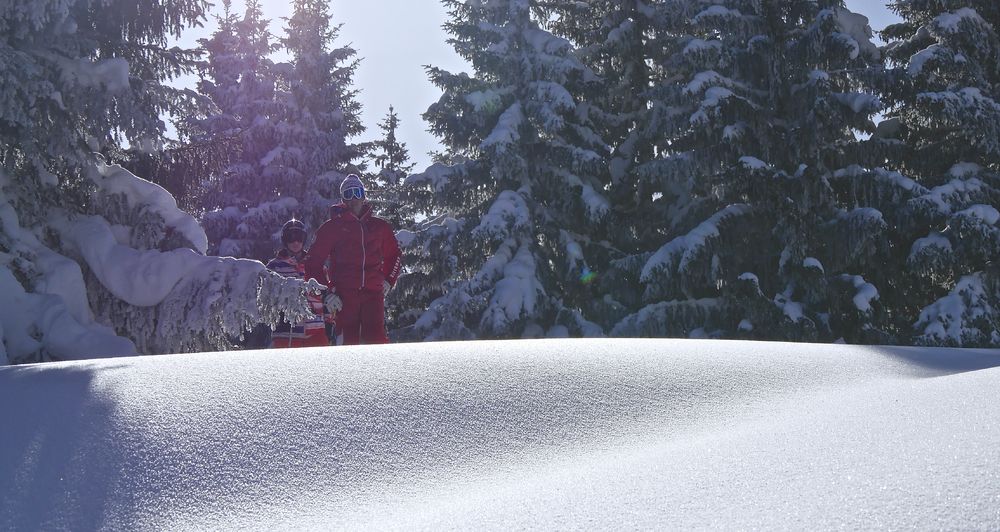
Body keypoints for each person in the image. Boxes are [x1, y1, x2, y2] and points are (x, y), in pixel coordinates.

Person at [305, 174, 402, 345]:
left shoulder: (379, 226)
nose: (353, 199)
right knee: (348, 346)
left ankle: (381, 372)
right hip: (344, 297)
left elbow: (394, 255)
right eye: (348, 194)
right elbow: (313, 263)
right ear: (343, 199)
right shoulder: (332, 227)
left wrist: (389, 279)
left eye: (357, 193)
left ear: (364, 196)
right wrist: (327, 293)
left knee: (376, 341)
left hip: (373, 294)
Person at [267, 219, 330, 348]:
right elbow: (267, 298)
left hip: (316, 330)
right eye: (291, 238)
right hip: (286, 332)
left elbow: (326, 294)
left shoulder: (315, 265)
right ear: (285, 240)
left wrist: (329, 322)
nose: (295, 242)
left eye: (299, 238)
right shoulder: (274, 267)